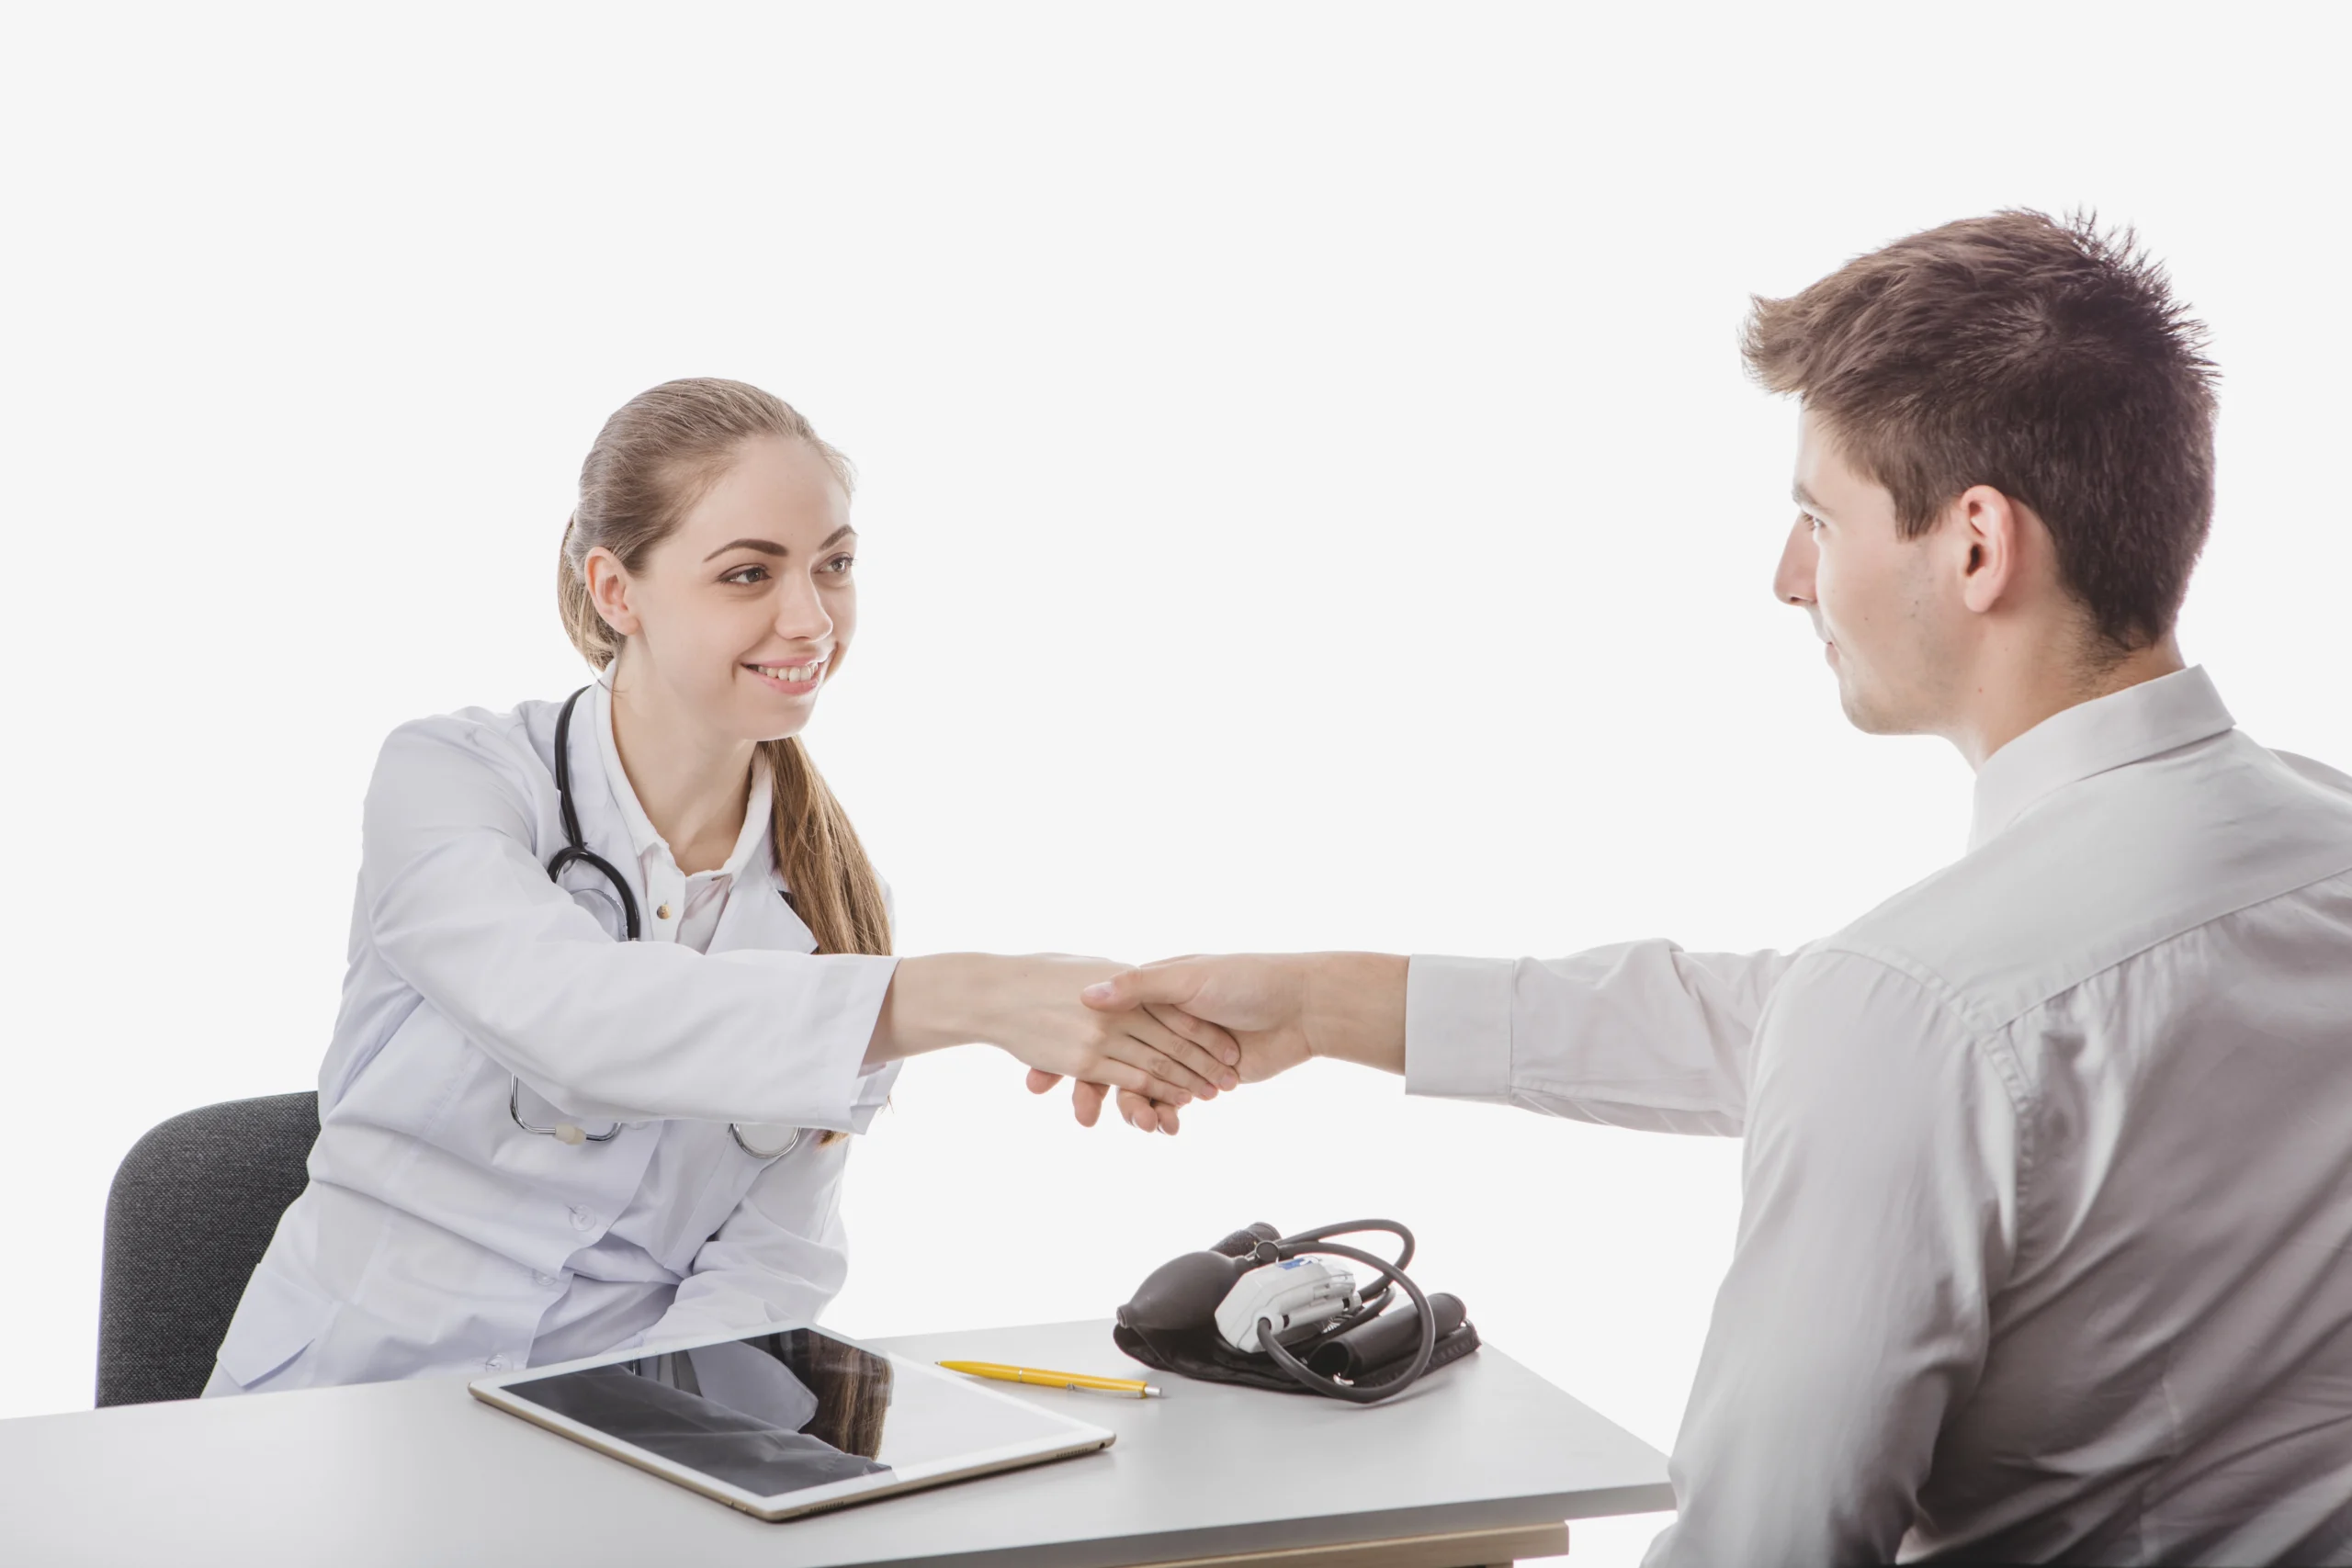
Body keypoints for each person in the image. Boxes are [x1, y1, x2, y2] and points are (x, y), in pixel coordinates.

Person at [1060, 214, 2352, 1563]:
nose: (1788, 576)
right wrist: (1322, 1006)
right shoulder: (2314, 852)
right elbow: (1859, 1031)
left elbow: (1765, 1539)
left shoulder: (1921, 1008)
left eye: (1817, 516)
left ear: (1977, 545)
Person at [206, 378, 1238, 1398]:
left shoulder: (836, 903)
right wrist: (972, 998)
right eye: (750, 574)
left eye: (834, 566)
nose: (812, 620)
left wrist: (653, 1445)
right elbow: (573, 1023)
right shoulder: (453, 779)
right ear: (618, 592)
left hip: (604, 1437)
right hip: (341, 1410)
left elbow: (772, 1264)